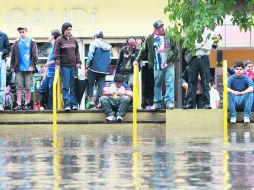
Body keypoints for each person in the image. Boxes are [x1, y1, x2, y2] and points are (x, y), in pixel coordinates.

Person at [134, 20, 178, 110]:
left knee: (169, 83)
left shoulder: (169, 37)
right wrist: (137, 60)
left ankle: (169, 102)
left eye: (162, 26)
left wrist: (171, 58)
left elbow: (175, 50)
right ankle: (157, 103)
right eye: (160, 27)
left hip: (169, 64)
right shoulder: (150, 38)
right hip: (157, 65)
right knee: (157, 84)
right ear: (156, 29)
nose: (162, 28)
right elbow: (143, 50)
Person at [183, 27, 213, 109]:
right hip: (194, 58)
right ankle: (189, 103)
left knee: (205, 81)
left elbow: (208, 47)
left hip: (204, 58)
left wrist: (197, 45)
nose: (200, 26)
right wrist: (202, 44)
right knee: (192, 81)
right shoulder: (192, 34)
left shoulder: (209, 33)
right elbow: (190, 47)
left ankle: (206, 104)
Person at [54, 23, 81, 111]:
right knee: (65, 86)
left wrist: (78, 62)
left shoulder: (74, 40)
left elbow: (77, 52)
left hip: (74, 66)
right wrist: (57, 64)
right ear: (63, 30)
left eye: (70, 29)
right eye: (67, 29)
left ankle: (74, 104)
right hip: (64, 66)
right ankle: (67, 105)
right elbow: (56, 54)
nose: (69, 31)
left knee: (73, 86)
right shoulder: (59, 40)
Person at [10, 26, 38, 110]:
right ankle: (18, 104)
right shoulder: (16, 42)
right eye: (20, 32)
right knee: (18, 86)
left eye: (23, 32)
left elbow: (35, 55)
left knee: (28, 86)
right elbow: (13, 56)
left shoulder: (32, 41)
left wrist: (32, 65)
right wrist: (12, 66)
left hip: (28, 68)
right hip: (19, 68)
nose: (21, 34)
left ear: (26, 31)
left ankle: (27, 103)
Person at [85, 31, 111, 108]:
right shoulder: (108, 46)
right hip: (104, 70)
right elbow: (109, 59)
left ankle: (92, 101)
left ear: (95, 36)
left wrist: (87, 66)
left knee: (90, 84)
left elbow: (90, 56)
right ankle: (98, 102)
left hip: (94, 68)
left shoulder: (93, 44)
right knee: (101, 87)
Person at [38, 29, 61, 109]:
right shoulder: (52, 46)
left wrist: (49, 63)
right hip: (49, 72)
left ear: (53, 36)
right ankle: (46, 105)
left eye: (49, 34)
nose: (48, 36)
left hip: (54, 72)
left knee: (52, 90)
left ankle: (52, 107)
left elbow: (59, 58)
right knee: (41, 89)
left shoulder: (57, 45)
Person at [0, 30, 10, 110]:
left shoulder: (3, 35)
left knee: (2, 83)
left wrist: (2, 52)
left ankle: (0, 103)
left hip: (1, 61)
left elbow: (8, 48)